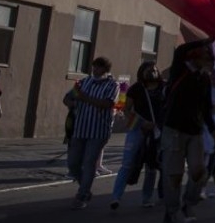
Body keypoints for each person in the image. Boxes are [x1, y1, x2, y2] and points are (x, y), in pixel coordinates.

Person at [161, 39, 215, 223]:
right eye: (208, 60)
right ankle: (172, 210)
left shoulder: (203, 79)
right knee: (174, 175)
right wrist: (208, 39)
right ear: (196, 58)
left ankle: (189, 202)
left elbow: (205, 109)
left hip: (195, 131)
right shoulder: (181, 70)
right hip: (174, 129)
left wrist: (213, 131)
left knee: (199, 171)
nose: (211, 66)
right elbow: (181, 49)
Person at [66, 56, 120, 210]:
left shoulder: (112, 85)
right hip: (80, 128)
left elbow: (107, 103)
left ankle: (82, 194)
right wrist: (71, 103)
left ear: (105, 69)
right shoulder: (85, 81)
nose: (94, 70)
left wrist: (85, 98)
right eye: (93, 67)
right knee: (73, 163)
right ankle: (85, 186)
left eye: (98, 67)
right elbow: (69, 97)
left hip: (98, 130)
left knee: (89, 162)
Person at [110, 61, 164, 210]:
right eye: (149, 69)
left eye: (154, 69)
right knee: (127, 163)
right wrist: (141, 123)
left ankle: (146, 198)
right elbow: (127, 109)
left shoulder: (163, 88)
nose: (152, 72)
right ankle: (116, 197)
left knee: (151, 166)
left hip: (157, 131)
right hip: (137, 129)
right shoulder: (136, 89)